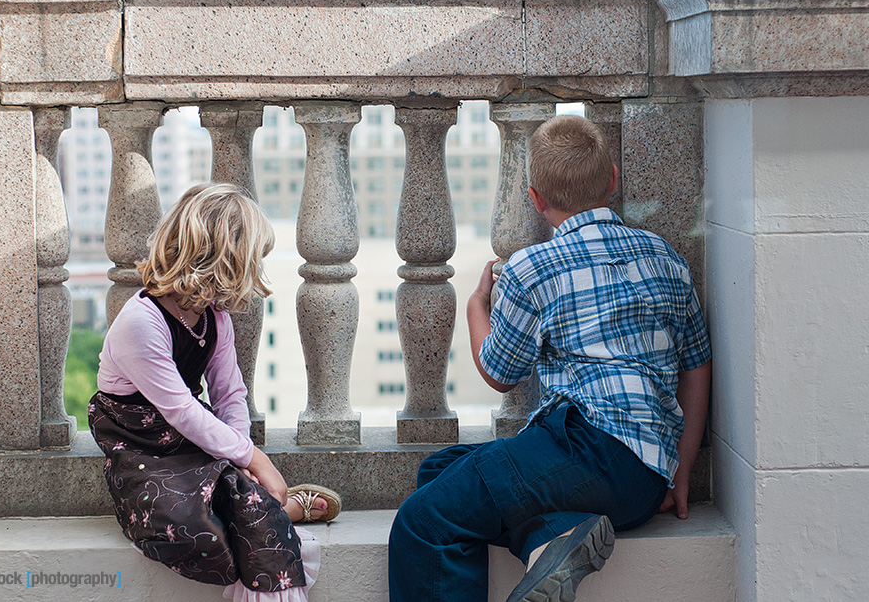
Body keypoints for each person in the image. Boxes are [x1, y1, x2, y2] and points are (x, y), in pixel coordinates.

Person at [388, 115, 712, 602]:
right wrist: (680, 470)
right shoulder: (664, 256)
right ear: (613, 178)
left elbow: (498, 372)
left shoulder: (532, 267)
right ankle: (552, 542)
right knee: (438, 472)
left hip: (588, 450)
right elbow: (697, 364)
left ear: (535, 198)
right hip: (644, 482)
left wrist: (478, 304)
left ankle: (551, 538)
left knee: (423, 521)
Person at [89, 183, 341, 602]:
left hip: (190, 438)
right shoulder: (140, 322)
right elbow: (181, 409)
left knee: (234, 487)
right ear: (226, 260)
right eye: (252, 259)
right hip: (142, 447)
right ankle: (280, 507)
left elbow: (228, 394)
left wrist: (238, 454)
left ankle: (265, 504)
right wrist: (255, 458)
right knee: (180, 523)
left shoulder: (214, 319)